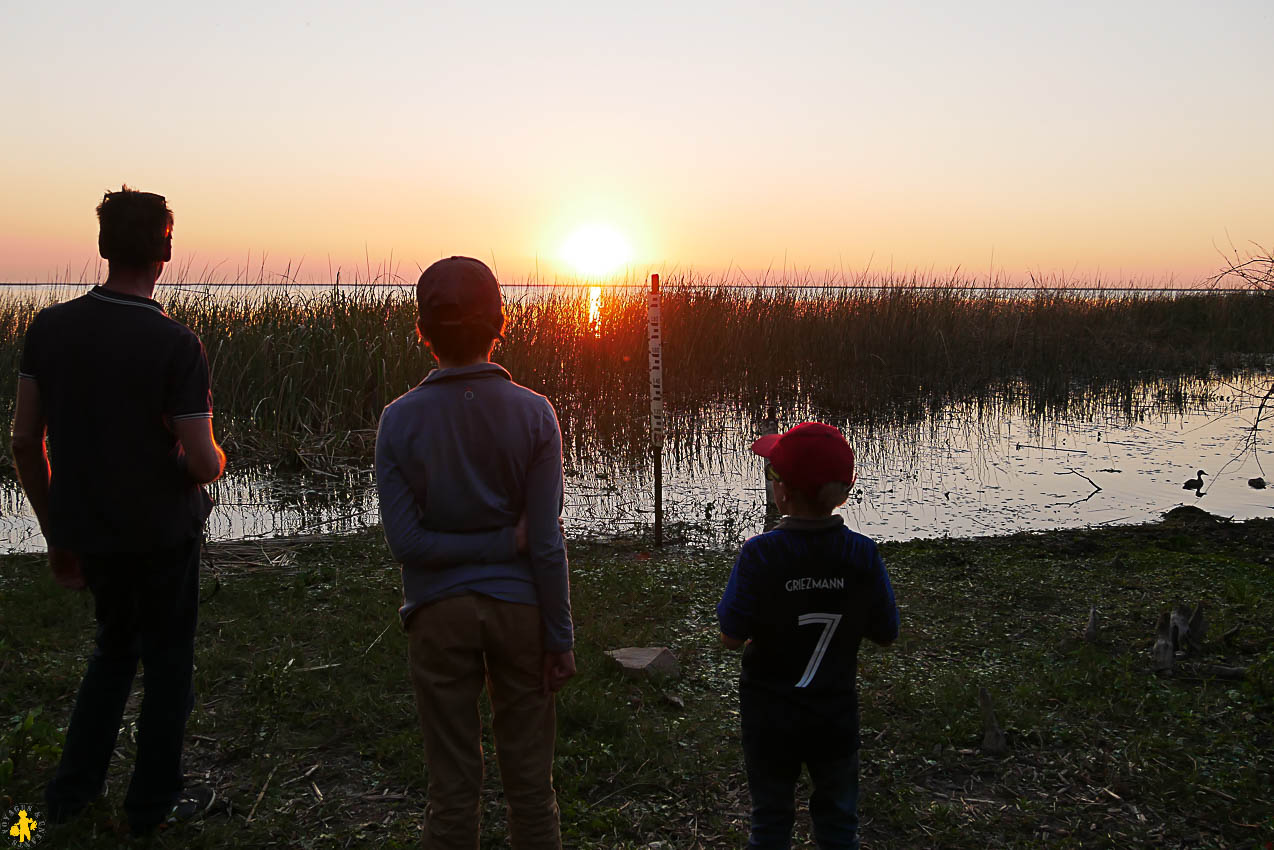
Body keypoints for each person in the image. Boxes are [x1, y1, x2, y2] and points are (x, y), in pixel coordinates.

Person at [11, 186, 225, 834]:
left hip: (89, 531)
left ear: (105, 246)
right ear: (165, 246)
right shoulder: (175, 344)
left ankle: (70, 797)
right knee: (167, 665)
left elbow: (23, 442)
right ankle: (150, 806)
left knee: (112, 651)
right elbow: (203, 459)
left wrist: (56, 533)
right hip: (163, 533)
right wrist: (207, 461)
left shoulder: (47, 329)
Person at [375, 256, 575, 849]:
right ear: (499, 323)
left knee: (452, 790)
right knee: (531, 790)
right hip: (520, 614)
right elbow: (544, 543)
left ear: (424, 330)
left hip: (437, 615)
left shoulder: (397, 421)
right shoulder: (536, 413)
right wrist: (560, 636)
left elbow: (406, 545)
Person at [717, 422, 899, 850]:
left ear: (781, 491)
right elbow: (886, 633)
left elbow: (729, 635)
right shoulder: (862, 554)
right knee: (838, 823)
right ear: (844, 490)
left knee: (771, 819)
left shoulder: (760, 553)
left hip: (769, 718)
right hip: (834, 716)